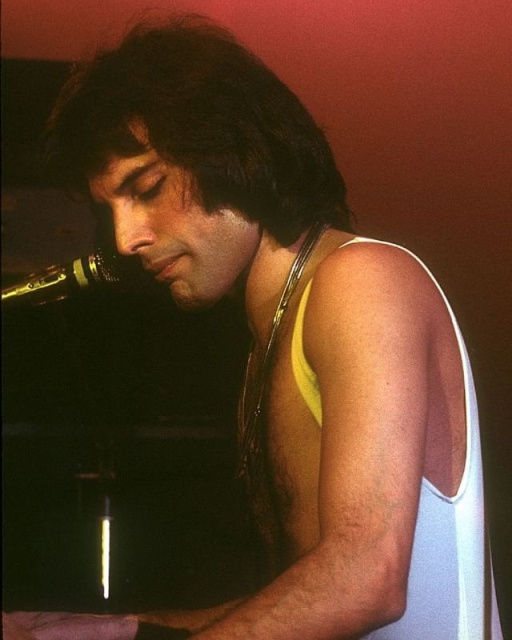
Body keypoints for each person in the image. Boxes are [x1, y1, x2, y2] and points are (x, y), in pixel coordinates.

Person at [4, 13, 503, 640]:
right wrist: (114, 628)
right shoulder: (274, 336)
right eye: (111, 210)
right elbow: (306, 599)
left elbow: (365, 578)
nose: (125, 239)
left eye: (148, 186)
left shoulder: (362, 279)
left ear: (235, 152)